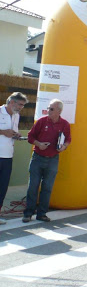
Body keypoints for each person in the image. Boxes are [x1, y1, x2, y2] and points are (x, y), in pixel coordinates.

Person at [23, 99, 71, 223]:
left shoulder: (65, 124)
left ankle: (42, 214)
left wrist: (63, 147)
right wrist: (38, 144)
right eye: (48, 108)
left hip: (53, 159)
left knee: (47, 188)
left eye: (51, 109)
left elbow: (68, 140)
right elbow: (30, 137)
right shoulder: (41, 121)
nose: (48, 110)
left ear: (59, 111)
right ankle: (28, 213)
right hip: (38, 158)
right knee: (33, 186)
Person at [0, 92, 27, 225]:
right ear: (12, 102)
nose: (21, 107)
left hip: (8, 156)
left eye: (23, 105)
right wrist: (3, 132)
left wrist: (16, 135)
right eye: (20, 104)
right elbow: (5, 132)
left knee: (3, 187)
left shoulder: (17, 115)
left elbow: (13, 132)